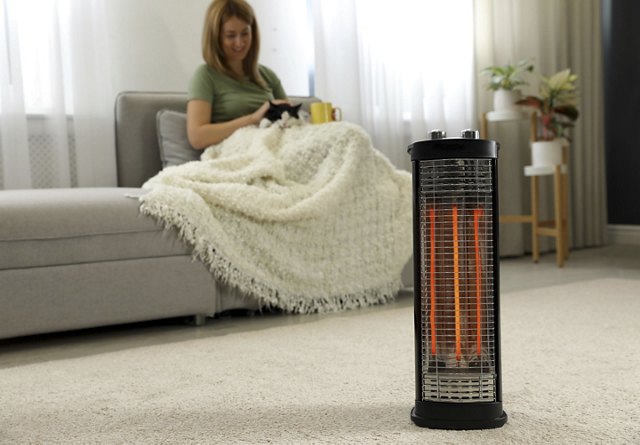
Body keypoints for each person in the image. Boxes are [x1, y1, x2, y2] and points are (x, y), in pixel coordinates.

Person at [186, 0, 290, 149]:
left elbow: (291, 120)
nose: (239, 43)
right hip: (237, 150)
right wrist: (253, 119)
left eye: (245, 33)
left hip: (275, 145)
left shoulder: (267, 75)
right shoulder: (205, 76)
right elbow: (197, 137)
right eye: (230, 35)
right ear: (216, 37)